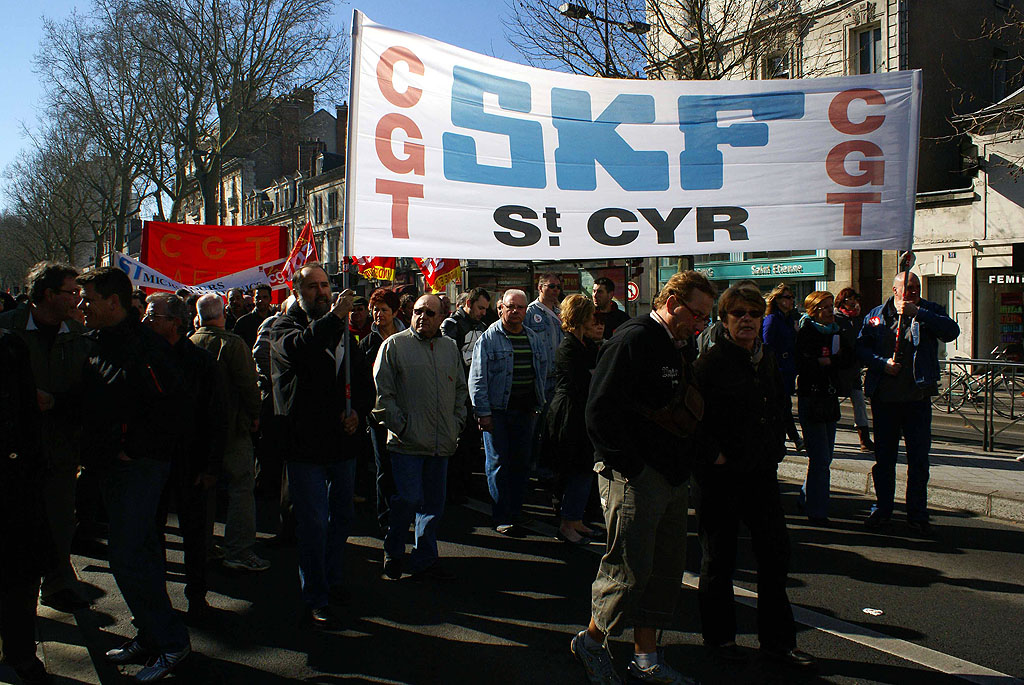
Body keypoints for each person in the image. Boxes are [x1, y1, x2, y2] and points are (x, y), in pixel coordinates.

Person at [570, 271, 715, 685]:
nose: (702, 323)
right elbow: (597, 411)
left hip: (669, 475)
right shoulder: (632, 339)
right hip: (636, 476)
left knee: (664, 571)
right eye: (697, 314)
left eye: (707, 316)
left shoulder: (677, 343)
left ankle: (646, 657)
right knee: (628, 571)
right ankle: (592, 642)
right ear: (671, 303)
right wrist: (630, 467)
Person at [76, 266, 191, 681]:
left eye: (88, 299)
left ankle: (172, 642)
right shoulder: (96, 341)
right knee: (138, 556)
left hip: (139, 468)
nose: (82, 306)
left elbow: (173, 407)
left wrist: (134, 448)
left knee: (127, 557)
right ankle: (150, 635)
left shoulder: (146, 347)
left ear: (113, 301)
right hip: (112, 466)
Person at [693, 285, 815, 670]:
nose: (746, 319)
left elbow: (778, 405)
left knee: (775, 556)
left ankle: (778, 642)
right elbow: (693, 418)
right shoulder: (710, 363)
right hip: (721, 478)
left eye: (752, 313)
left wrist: (778, 446)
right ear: (725, 320)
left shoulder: (764, 361)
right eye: (738, 314)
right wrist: (715, 454)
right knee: (719, 560)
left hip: (761, 474)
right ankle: (720, 639)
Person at [269, 264, 373, 629]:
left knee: (341, 516)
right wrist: (334, 318)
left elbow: (361, 381)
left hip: (342, 443)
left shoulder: (345, 331)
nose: (322, 292)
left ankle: (332, 577)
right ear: (299, 292)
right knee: (313, 522)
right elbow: (301, 350)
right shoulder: (284, 328)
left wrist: (358, 412)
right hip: (305, 445)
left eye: (326, 285)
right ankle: (315, 593)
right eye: (313, 287)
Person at [0, 262, 91, 613]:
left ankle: (58, 583)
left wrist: (59, 403)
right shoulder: (8, 329)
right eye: (71, 292)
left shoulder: (78, 333)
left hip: (61, 447)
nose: (77, 300)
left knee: (59, 518)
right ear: (48, 294)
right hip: (13, 450)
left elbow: (88, 391)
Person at [143, 293, 226, 620]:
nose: (147, 322)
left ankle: (197, 596)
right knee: (151, 533)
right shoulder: (143, 358)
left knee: (195, 534)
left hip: (191, 463)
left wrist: (211, 467)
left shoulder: (201, 362)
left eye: (154, 317)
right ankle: (154, 598)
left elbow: (216, 416)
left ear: (175, 323)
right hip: (150, 461)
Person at [373, 294, 467, 581]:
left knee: (433, 506)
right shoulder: (394, 345)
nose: (422, 317)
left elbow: (460, 392)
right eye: (417, 311)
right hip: (407, 443)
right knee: (409, 499)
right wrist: (402, 427)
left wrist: (456, 423)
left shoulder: (450, 348)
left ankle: (425, 556)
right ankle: (394, 549)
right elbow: (382, 396)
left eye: (429, 312)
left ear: (442, 317)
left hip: (441, 442)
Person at [857, 272, 960, 535]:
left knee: (918, 461)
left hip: (917, 398)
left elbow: (951, 331)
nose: (912, 292)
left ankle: (917, 513)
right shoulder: (876, 315)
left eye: (916, 288)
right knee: (885, 460)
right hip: (885, 400)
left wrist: (919, 313)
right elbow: (861, 348)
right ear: (895, 289)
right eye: (907, 288)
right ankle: (883, 509)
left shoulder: (928, 310)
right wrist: (882, 364)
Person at [190, 294, 268, 573]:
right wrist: (255, 414)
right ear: (221, 313)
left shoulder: (189, 342)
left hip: (198, 431)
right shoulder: (232, 344)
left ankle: (203, 545)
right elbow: (248, 385)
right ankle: (239, 549)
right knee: (241, 488)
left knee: (203, 490)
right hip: (233, 428)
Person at [468, 289, 550, 536]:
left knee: (521, 464)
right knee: (498, 464)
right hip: (497, 412)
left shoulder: (534, 338)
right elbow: (478, 378)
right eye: (510, 307)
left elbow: (542, 371)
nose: (515, 312)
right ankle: (502, 516)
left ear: (526, 310)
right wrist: (483, 412)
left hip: (526, 412)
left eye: (520, 308)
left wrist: (539, 404)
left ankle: (516, 510)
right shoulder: (489, 338)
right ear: (500, 308)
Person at [0, 331, 53, 685]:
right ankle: (20, 654)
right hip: (14, 474)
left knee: (17, 571)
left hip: (12, 476)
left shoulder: (9, 346)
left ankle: (19, 652)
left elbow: (25, 413)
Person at [544, 294, 600, 545]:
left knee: (584, 468)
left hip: (580, 411)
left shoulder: (585, 345)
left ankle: (576, 519)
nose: (593, 319)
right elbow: (583, 382)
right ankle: (568, 523)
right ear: (580, 317)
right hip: (569, 414)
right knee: (574, 468)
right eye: (589, 315)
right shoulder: (568, 347)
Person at [795, 291, 848, 523]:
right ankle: (817, 510)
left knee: (825, 458)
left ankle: (807, 496)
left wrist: (831, 362)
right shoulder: (807, 332)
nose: (830, 311)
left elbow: (848, 358)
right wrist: (820, 363)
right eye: (825, 307)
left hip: (830, 398)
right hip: (812, 399)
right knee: (820, 459)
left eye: (831, 306)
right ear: (814, 310)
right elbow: (803, 365)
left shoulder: (837, 331)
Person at [360, 288, 407, 535]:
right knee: (384, 468)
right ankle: (385, 517)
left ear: (395, 312)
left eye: (384, 310)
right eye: (375, 310)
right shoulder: (368, 343)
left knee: (405, 465)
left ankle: (405, 512)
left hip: (406, 409)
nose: (378, 315)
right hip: (378, 414)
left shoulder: (408, 338)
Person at [440, 287, 490, 503]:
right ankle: (453, 486)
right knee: (458, 441)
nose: (483, 313)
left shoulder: (482, 326)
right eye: (480, 308)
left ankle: (466, 483)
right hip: (457, 390)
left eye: (486, 309)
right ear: (468, 304)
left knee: (470, 441)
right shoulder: (451, 325)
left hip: (474, 389)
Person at [763, 283, 804, 451]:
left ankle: (789, 439)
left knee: (784, 406)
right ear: (778, 300)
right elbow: (767, 344)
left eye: (792, 297)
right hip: (778, 369)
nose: (791, 300)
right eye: (787, 297)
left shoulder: (789, 319)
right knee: (783, 406)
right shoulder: (772, 319)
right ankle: (792, 438)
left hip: (789, 370)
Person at [834, 288, 873, 451]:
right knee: (832, 402)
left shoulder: (857, 320)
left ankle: (864, 438)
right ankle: (829, 435)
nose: (853, 302)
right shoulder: (836, 318)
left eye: (855, 299)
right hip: (838, 369)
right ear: (843, 301)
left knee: (859, 402)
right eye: (850, 299)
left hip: (853, 369)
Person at [525, 273, 563, 396]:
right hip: (540, 378)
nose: (555, 290)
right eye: (551, 286)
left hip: (558, 377)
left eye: (558, 287)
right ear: (540, 288)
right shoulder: (530, 312)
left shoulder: (561, 313)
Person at [232, 284, 275, 349]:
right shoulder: (243, 322)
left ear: (270, 299)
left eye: (265, 297)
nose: (261, 300)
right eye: (258, 297)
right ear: (253, 299)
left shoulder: (276, 321)